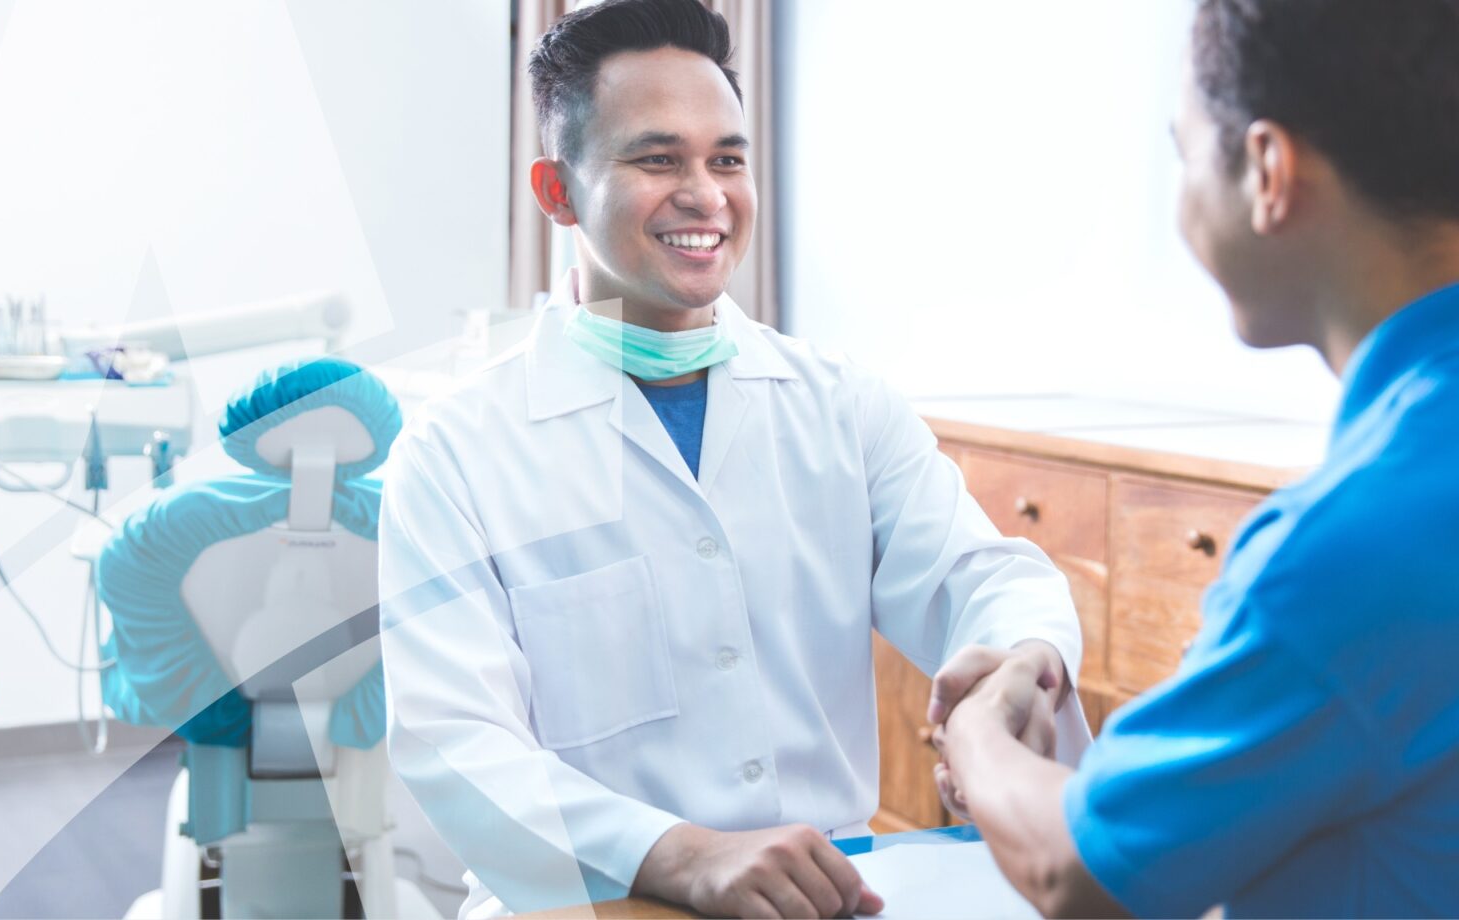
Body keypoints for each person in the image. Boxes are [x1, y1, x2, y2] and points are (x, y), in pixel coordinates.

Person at [379, 1, 1086, 917]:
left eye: (727, 159)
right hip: (583, 899)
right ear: (556, 192)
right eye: (657, 159)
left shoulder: (841, 405)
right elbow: (455, 745)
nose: (706, 194)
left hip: (826, 890)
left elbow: (984, 577)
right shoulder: (457, 451)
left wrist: (1023, 659)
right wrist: (682, 856)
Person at [933, 0, 1459, 916]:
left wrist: (978, 737)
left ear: (1268, 172)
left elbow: (1075, 872)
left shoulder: (1350, 543)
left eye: (1184, 153)